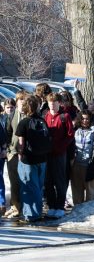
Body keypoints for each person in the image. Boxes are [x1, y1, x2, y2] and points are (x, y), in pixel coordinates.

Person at [15, 95, 49, 223]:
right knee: (38, 187)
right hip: (42, 159)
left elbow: (21, 143)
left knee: (29, 187)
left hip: (28, 160)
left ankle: (30, 215)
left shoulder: (24, 122)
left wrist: (20, 154)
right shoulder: (42, 121)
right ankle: (37, 212)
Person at [43, 93, 74, 218]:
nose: (52, 104)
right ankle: (52, 206)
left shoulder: (64, 116)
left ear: (59, 103)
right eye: (50, 102)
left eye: (54, 102)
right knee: (48, 181)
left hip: (60, 154)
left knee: (60, 181)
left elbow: (70, 135)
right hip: (47, 154)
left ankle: (60, 206)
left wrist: (61, 147)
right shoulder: (45, 116)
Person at [71, 110, 94, 205]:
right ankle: (77, 212)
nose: (85, 121)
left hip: (90, 165)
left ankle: (90, 212)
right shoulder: (74, 130)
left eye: (87, 119)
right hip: (76, 165)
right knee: (77, 191)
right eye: (82, 118)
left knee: (91, 192)